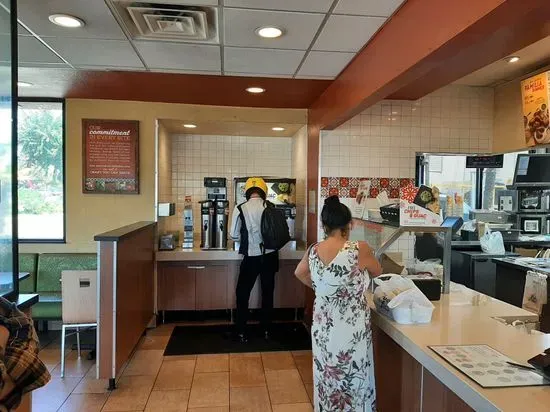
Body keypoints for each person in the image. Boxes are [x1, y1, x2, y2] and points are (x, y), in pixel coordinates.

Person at [295, 195, 382, 412]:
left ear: (324, 225)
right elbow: (378, 271)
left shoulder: (313, 250)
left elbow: (300, 273)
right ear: (349, 224)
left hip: (323, 329)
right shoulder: (359, 249)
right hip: (351, 330)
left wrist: (324, 288)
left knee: (327, 377)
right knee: (354, 378)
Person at [230, 177, 279, 342]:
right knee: (267, 293)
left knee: (243, 293)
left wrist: (247, 237)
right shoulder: (271, 206)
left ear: (247, 191)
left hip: (251, 256)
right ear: (264, 191)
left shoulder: (240, 208)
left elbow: (233, 235)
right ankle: (266, 330)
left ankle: (241, 331)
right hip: (270, 256)